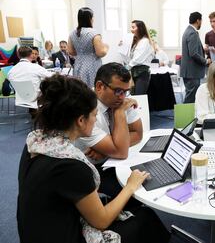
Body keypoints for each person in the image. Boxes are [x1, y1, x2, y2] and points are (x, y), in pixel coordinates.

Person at [17, 74, 170, 243]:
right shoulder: (71, 166)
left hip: (38, 232)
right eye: (94, 115)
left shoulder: (35, 143)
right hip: (65, 235)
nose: (96, 119)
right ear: (81, 120)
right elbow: (101, 221)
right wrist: (131, 186)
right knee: (145, 218)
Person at [74, 62, 143, 200]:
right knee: (136, 195)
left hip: (112, 160)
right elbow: (121, 152)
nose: (123, 97)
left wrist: (106, 149)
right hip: (90, 171)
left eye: (126, 92)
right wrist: (119, 113)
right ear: (100, 87)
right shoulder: (85, 111)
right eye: (118, 91)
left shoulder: (120, 101)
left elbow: (138, 134)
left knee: (148, 177)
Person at [68, 7, 109, 87]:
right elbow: (100, 52)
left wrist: (81, 53)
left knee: (80, 89)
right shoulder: (93, 33)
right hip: (92, 65)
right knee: (94, 89)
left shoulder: (72, 33)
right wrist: (106, 47)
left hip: (78, 65)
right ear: (90, 18)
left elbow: (70, 51)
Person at [181, 11, 211, 103]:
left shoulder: (188, 31)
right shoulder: (192, 33)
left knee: (190, 95)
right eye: (201, 21)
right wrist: (206, 61)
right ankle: (185, 116)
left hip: (189, 72)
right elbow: (193, 53)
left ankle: (187, 115)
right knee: (191, 98)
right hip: (192, 72)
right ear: (198, 20)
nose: (201, 23)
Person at [124, 20, 154, 95]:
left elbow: (138, 58)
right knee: (134, 95)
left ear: (140, 28)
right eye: (131, 27)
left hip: (142, 73)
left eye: (133, 27)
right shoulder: (137, 42)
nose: (131, 29)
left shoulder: (145, 41)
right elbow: (131, 56)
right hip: (135, 72)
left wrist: (129, 65)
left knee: (139, 97)